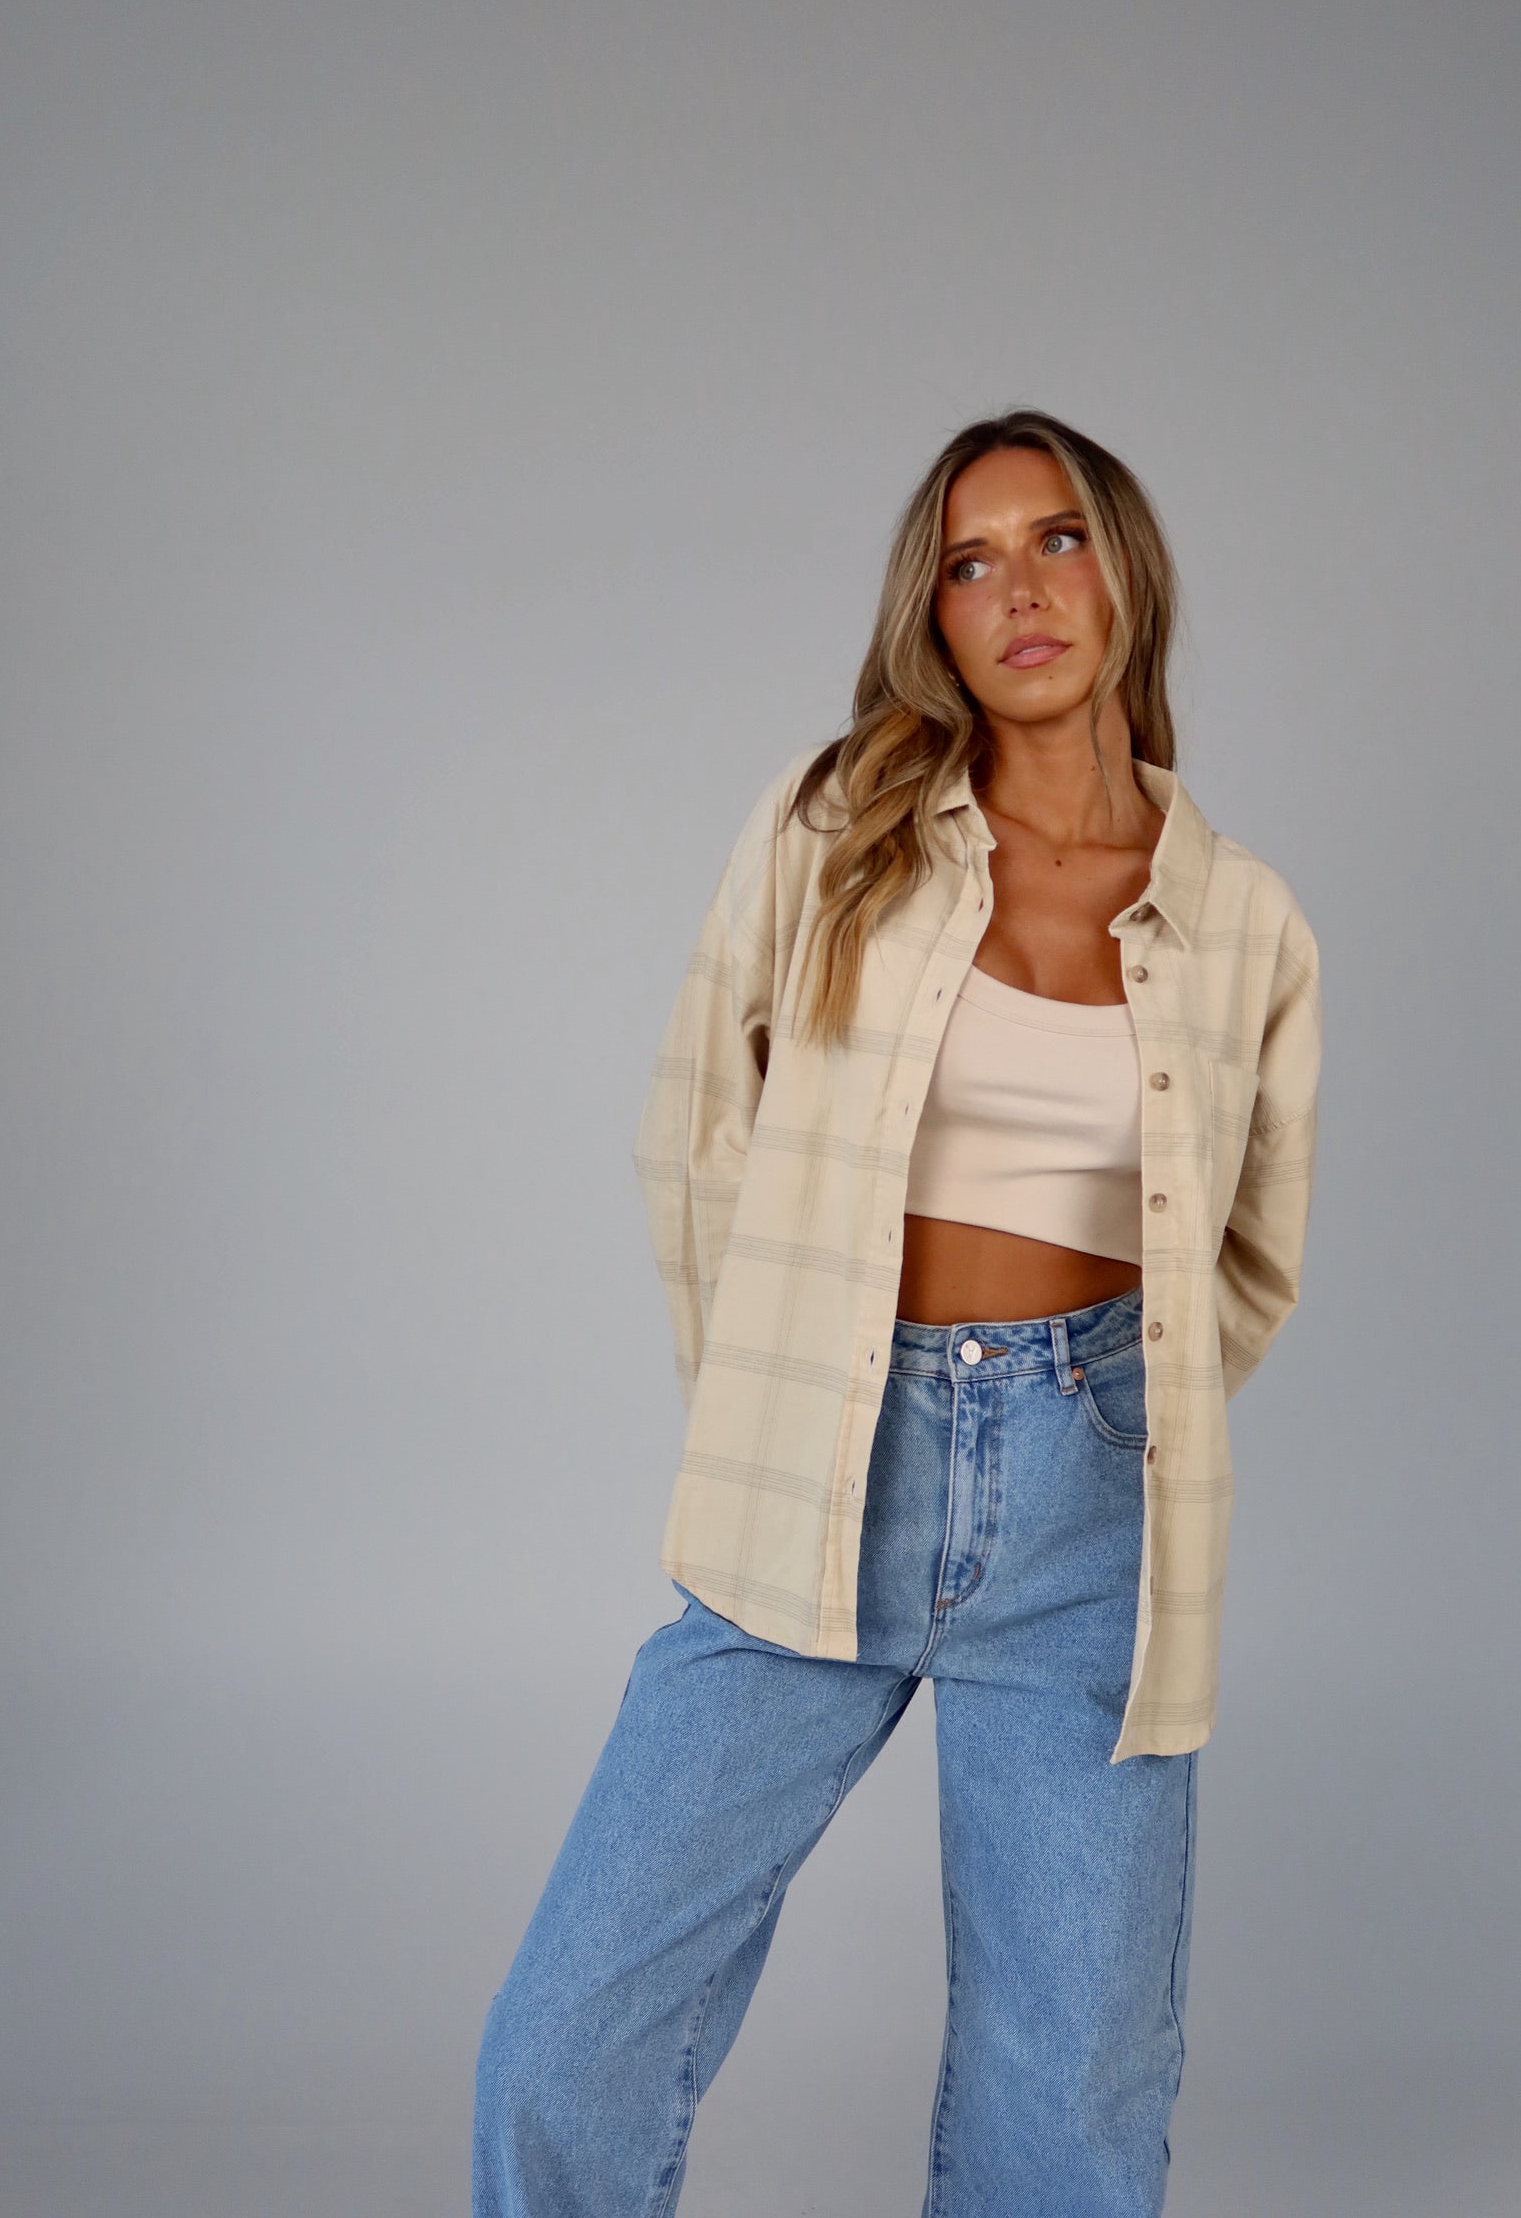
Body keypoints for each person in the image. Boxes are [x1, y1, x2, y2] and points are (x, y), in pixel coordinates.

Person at [472, 407, 1323, 2217]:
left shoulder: (1246, 921)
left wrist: (1117, 1417)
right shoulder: (834, 826)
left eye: (1058, 538)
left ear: (1128, 572)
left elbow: (1249, 1257)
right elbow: (695, 1133)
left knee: (1068, 2108)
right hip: (821, 1473)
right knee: (570, 2039)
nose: (1021, 590)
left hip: (1092, 1512)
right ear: (930, 617)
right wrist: (773, 1407)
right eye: (968, 562)